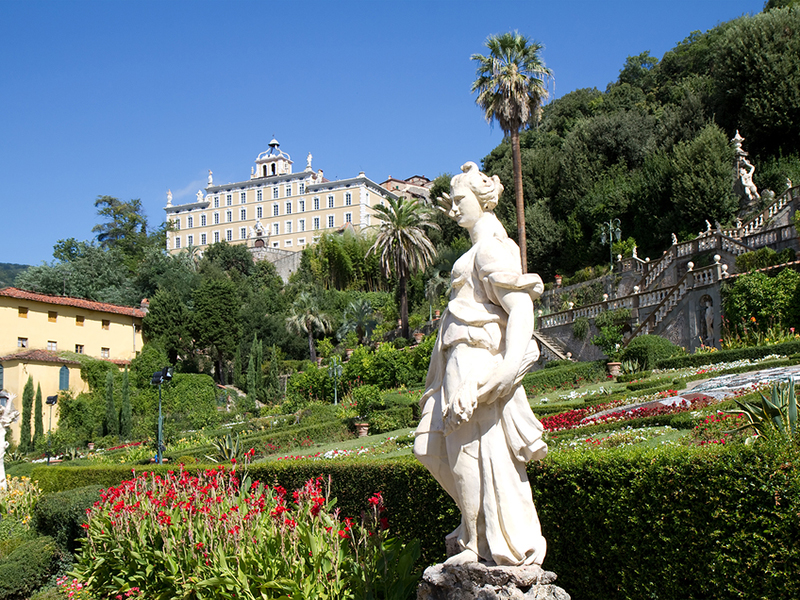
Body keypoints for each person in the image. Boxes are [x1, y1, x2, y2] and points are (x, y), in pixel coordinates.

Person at [414, 162, 547, 567]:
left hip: (473, 359)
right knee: (428, 447)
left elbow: (521, 310)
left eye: (459, 200)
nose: (453, 210)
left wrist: (505, 372)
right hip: (454, 363)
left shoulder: (489, 247)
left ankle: (476, 540)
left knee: (465, 450)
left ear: (481, 199)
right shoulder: (477, 249)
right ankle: (475, 526)